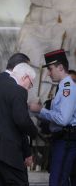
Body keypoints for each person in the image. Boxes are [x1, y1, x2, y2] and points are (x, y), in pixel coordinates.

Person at [29, 49, 76, 186]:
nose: (48, 74)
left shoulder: (68, 88)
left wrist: (41, 110)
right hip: (61, 140)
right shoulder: (62, 87)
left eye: (50, 69)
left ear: (60, 67)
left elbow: (63, 119)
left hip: (66, 140)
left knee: (58, 181)